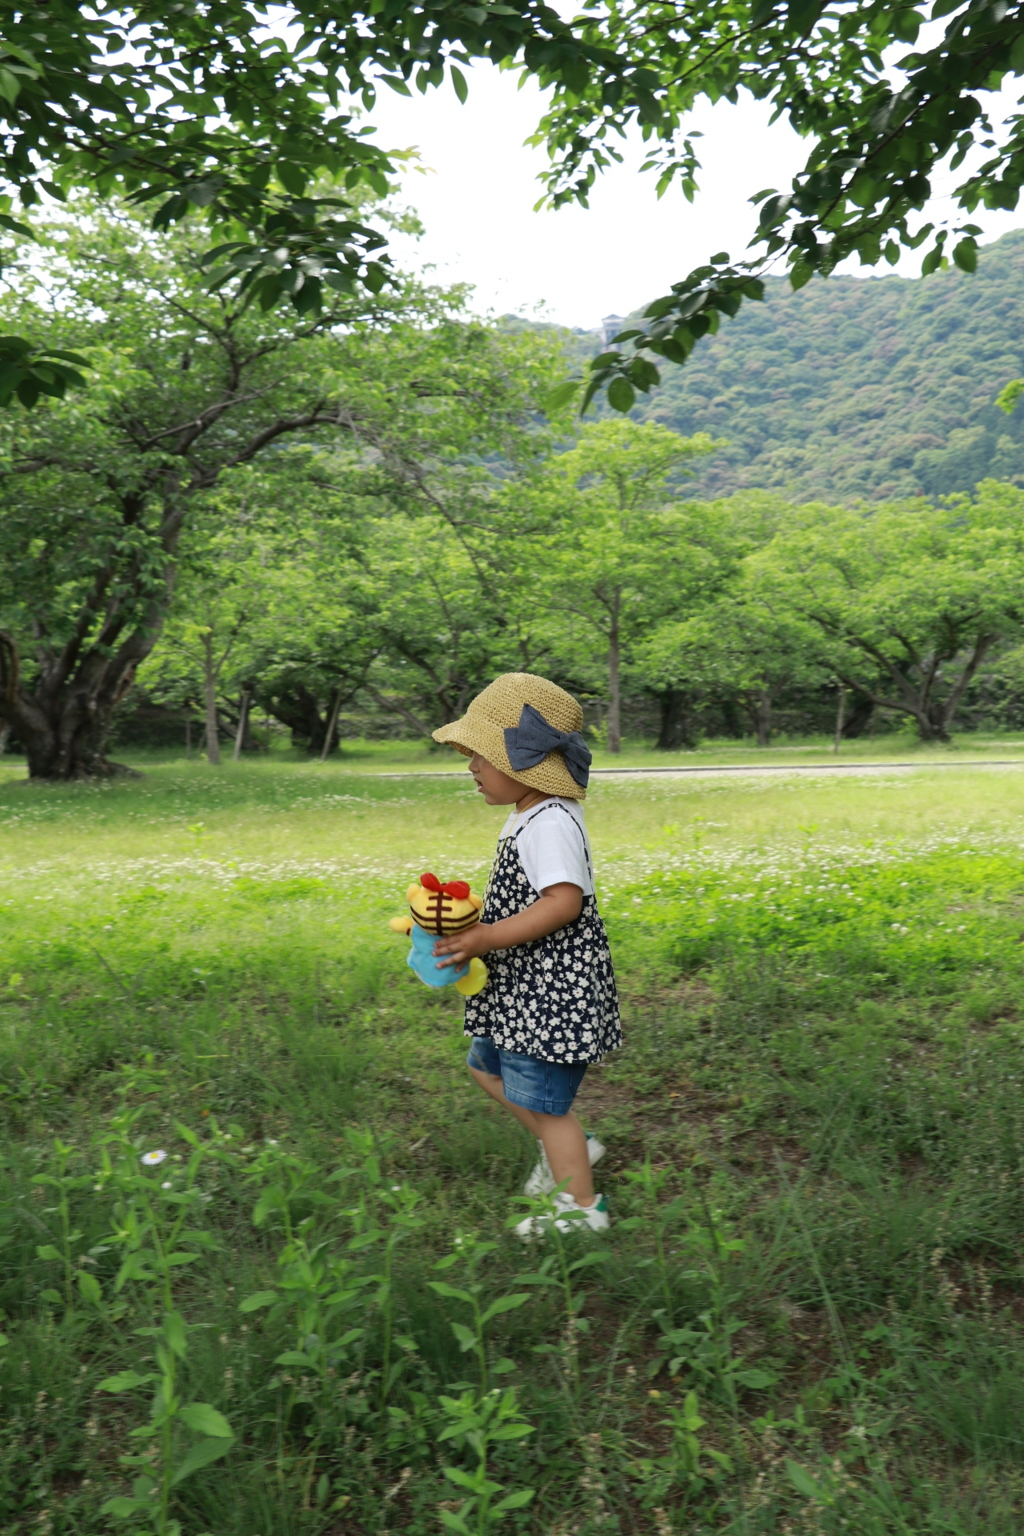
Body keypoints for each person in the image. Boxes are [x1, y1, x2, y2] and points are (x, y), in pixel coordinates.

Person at [431, 673, 622, 1237]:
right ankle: (568, 1150)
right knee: (486, 1065)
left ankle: (582, 1209)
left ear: (522, 766)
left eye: (481, 757)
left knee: (547, 1102)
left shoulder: (552, 822)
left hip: (550, 990)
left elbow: (563, 902)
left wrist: (488, 937)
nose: (471, 768)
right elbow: (527, 893)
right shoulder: (529, 814)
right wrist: (471, 916)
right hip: (522, 985)